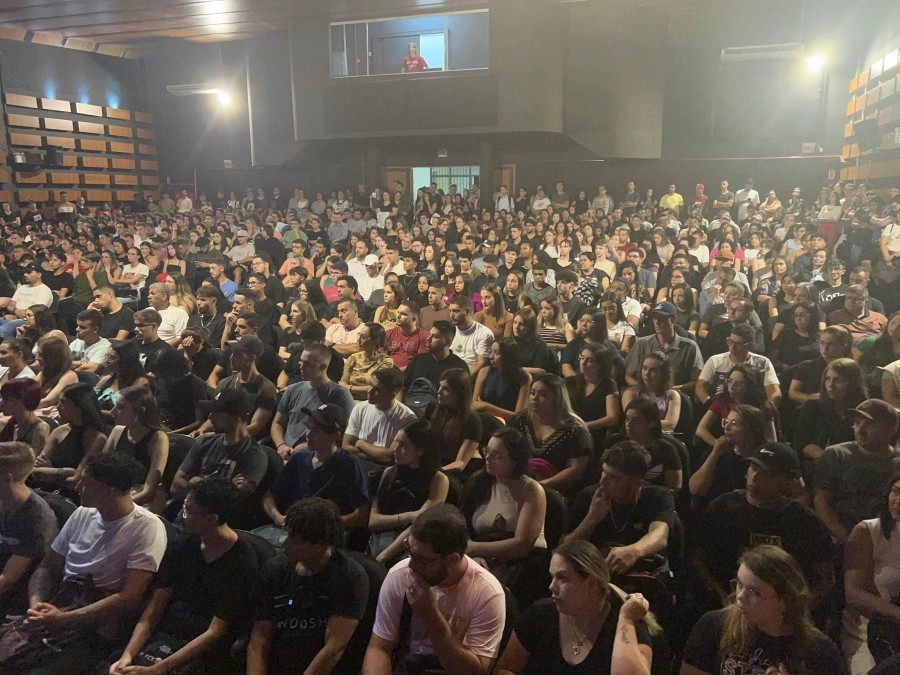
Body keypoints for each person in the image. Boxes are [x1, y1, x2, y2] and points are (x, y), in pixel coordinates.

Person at [16, 453, 167, 673]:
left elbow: (129, 598)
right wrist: (36, 606)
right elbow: (47, 566)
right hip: (58, 607)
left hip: (95, 625)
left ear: (109, 490)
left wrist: (62, 620)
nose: (77, 487)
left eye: (85, 483)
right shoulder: (82, 513)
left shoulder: (147, 527)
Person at [107, 477, 256, 675]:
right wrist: (127, 656)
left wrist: (156, 670)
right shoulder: (182, 544)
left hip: (200, 646)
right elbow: (156, 607)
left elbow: (215, 632)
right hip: (168, 632)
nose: (180, 515)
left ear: (211, 519)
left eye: (187, 511)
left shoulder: (241, 562)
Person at [362, 504, 505, 675]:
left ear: (452, 560)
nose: (411, 565)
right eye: (409, 551)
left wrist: (430, 615)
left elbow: (475, 672)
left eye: (421, 559)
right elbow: (379, 647)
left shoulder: (487, 593)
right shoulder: (400, 574)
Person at [693, 443, 835, 612]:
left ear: (788, 481)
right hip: (725, 607)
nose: (755, 477)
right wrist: (722, 597)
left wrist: (791, 611)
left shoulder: (803, 521)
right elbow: (697, 559)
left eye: (767, 474)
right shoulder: (723, 508)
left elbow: (825, 579)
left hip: (783, 613)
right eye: (753, 467)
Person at [248, 497, 371, 675]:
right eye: (287, 534)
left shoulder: (349, 577)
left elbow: (333, 649)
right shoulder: (274, 571)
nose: (284, 543)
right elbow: (259, 640)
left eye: (295, 539)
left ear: (320, 544)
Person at [495, 540, 654, 675]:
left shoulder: (627, 626)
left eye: (562, 578)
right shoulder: (540, 614)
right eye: (552, 577)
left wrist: (626, 618)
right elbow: (505, 669)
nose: (552, 586)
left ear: (591, 583)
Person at [680, 545, 845, 674]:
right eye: (739, 584)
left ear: (785, 601)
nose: (740, 597)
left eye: (754, 592)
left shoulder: (820, 651)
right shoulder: (714, 625)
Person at [462, 427, 548, 607]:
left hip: (521, 564)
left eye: (497, 456)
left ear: (515, 461)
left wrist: (473, 549)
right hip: (483, 555)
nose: (488, 458)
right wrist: (474, 556)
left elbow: (522, 545)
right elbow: (463, 524)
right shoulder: (479, 481)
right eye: (487, 451)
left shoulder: (531, 490)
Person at [260, 403, 369, 543]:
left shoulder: (349, 465)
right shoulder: (300, 458)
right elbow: (268, 496)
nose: (308, 435)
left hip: (323, 537)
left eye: (316, 431)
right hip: (289, 529)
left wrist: (324, 525)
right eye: (308, 428)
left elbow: (361, 515)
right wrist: (279, 518)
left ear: (336, 436)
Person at [564, 441, 674, 579]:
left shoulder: (658, 496)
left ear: (636, 482)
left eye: (613, 477)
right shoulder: (589, 496)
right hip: (597, 575)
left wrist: (634, 551)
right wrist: (591, 518)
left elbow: (660, 535)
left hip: (643, 575)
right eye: (604, 472)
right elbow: (565, 547)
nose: (602, 481)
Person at [171, 389, 268, 528]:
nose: (210, 417)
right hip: (185, 520)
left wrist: (196, 483)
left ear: (234, 418)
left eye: (216, 412)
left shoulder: (255, 456)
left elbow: (230, 503)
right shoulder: (204, 442)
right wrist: (224, 487)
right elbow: (175, 486)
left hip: (218, 527)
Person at [814, 399, 900, 541]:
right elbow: (821, 501)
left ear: (890, 429)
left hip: (891, 539)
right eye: (857, 423)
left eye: (869, 425)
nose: (860, 430)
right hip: (844, 536)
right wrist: (846, 537)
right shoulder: (836, 455)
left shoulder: (897, 461)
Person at [367, 419, 449, 565]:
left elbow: (420, 525)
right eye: (396, 443)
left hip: (413, 542)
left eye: (403, 446)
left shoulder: (438, 480)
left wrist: (384, 555)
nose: (395, 450)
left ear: (421, 451)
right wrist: (409, 516)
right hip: (380, 538)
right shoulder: (389, 473)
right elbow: (373, 521)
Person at [842, 469, 900, 674]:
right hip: (869, 627)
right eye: (895, 491)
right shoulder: (868, 531)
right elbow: (853, 593)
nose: (897, 501)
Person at [508, 372, 591, 495]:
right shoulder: (521, 420)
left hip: (555, 492)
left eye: (543, 395)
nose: (535, 398)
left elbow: (576, 470)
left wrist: (539, 486)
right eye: (532, 393)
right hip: (518, 484)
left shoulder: (575, 430)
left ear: (557, 400)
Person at [0, 441, 58, 617]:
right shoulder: (4, 503)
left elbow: (7, 581)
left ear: (7, 478)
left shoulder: (37, 518)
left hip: (15, 600)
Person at [271, 343, 355, 458]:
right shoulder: (292, 390)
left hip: (318, 455)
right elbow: (277, 423)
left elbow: (347, 433)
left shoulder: (340, 395)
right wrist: (281, 445)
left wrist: (310, 446)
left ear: (323, 367)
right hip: (287, 452)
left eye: (308, 364)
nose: (301, 367)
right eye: (301, 362)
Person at [32, 382, 108, 498]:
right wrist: (63, 472)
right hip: (44, 491)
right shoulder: (60, 431)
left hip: (71, 497)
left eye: (63, 402)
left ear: (79, 407)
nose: (57, 407)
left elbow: (76, 481)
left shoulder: (97, 438)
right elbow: (35, 468)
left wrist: (52, 471)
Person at [690, 404, 774, 505]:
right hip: (717, 507)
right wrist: (714, 454)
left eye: (734, 423)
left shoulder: (764, 457)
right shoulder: (719, 451)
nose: (726, 427)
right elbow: (695, 489)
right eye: (726, 422)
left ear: (751, 429)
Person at [102, 385, 169, 508]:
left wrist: (117, 505)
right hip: (114, 494)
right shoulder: (117, 431)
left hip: (139, 502)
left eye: (120, 407)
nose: (112, 412)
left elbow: (148, 491)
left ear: (140, 411)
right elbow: (101, 470)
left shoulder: (158, 438)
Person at [793, 357, 866, 463]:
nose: (830, 385)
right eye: (827, 379)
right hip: (819, 462)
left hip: (854, 463)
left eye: (838, 381)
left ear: (853, 383)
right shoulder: (813, 406)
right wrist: (828, 458)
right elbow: (802, 442)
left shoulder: (864, 410)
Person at [342, 367, 417, 466]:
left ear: (391, 395)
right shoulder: (360, 408)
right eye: (371, 385)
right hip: (359, 464)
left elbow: (390, 458)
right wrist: (376, 455)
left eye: (377, 389)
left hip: (384, 470)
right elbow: (346, 446)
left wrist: (361, 443)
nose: (369, 391)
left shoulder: (407, 418)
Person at [694, 364, 775, 450]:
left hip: (753, 450)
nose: (731, 387)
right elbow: (701, 429)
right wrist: (717, 444)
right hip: (728, 450)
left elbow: (771, 440)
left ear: (749, 386)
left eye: (738, 384)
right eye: (730, 381)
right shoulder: (723, 400)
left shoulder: (762, 407)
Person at [425, 367, 483, 474]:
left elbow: (460, 463)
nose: (439, 392)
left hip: (453, 470)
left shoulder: (471, 420)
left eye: (446, 389)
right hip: (434, 463)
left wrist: (433, 473)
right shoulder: (433, 407)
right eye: (439, 386)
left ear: (459, 393)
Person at [401, 320, 469, 396]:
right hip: (412, 401)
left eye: (435, 337)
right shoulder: (418, 360)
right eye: (430, 334)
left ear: (447, 341)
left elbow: (463, 397)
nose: (428, 339)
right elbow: (402, 386)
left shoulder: (458, 367)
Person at [472, 337, 531, 423]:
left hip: (508, 424)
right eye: (491, 352)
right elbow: (475, 405)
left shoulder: (524, 378)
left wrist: (487, 406)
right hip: (484, 419)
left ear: (508, 356)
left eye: (496, 353)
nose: (491, 356)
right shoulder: (484, 372)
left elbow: (518, 417)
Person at [621, 351, 681, 433]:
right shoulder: (630, 393)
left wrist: (641, 423)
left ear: (663, 373)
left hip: (662, 435)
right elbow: (630, 420)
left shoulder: (672, 395)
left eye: (653, 370)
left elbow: (670, 424)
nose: (646, 373)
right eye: (644, 368)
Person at [341, 321, 394, 399]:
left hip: (373, 401)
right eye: (359, 335)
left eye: (363, 337)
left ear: (375, 341)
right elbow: (342, 385)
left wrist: (350, 388)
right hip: (350, 399)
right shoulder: (353, 358)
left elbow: (378, 389)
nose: (358, 340)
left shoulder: (386, 361)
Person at [94, 339, 150, 411]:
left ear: (125, 360)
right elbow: (90, 399)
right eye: (108, 357)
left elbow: (127, 412)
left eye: (112, 358)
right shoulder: (107, 379)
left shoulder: (140, 382)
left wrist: (97, 411)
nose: (107, 361)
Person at [0, 378, 51, 456]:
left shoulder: (39, 429)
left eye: (6, 399)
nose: (1, 403)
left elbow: (31, 460)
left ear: (21, 401)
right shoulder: (5, 424)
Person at [448, 295, 494, 377]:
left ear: (467, 311)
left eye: (456, 311)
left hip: (469, 377)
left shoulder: (484, 334)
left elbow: (481, 363)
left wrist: (462, 381)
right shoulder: (450, 330)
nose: (451, 315)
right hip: (449, 373)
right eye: (450, 311)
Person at [34, 336, 79, 410]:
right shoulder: (42, 374)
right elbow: (27, 393)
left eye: (41, 355)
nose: (37, 358)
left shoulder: (69, 376)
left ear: (53, 357)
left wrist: (23, 407)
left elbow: (47, 402)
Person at [68, 309, 111, 373]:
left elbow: (91, 368)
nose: (77, 329)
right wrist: (84, 363)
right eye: (77, 326)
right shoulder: (77, 342)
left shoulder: (105, 346)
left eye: (82, 327)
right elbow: (62, 363)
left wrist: (70, 366)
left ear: (95, 329)